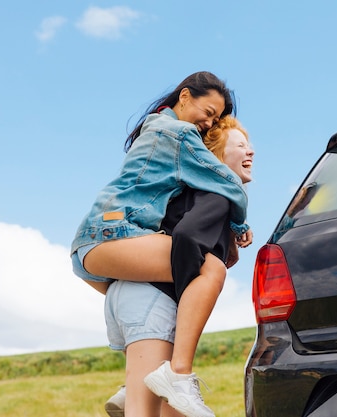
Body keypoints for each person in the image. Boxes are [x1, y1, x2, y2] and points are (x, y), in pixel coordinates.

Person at [70, 72, 251, 416]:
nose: (208, 122)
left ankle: (137, 383)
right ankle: (178, 374)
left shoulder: (155, 128)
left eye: (215, 118)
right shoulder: (179, 133)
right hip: (114, 234)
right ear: (185, 97)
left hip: (97, 247)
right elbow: (225, 179)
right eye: (208, 111)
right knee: (209, 267)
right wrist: (239, 225)